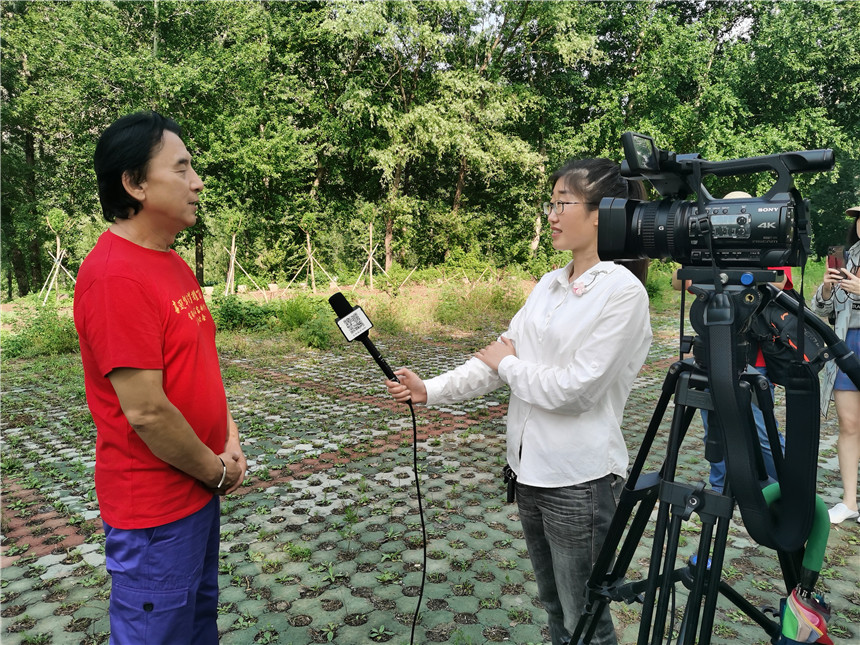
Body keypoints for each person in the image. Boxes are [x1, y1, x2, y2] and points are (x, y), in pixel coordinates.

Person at [385, 158, 652, 645]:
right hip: (528, 473)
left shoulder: (622, 293)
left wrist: (510, 366)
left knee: (586, 619)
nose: (550, 214)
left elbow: (576, 389)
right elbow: (496, 354)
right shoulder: (550, 285)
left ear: (602, 214)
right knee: (553, 606)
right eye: (550, 203)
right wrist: (430, 389)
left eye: (562, 203)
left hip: (580, 482)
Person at [74, 111, 247, 643]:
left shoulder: (168, 262)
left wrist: (230, 443)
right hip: (154, 514)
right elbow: (146, 410)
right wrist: (215, 471)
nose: (197, 182)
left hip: (197, 491)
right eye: (182, 169)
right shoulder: (114, 277)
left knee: (197, 628)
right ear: (135, 184)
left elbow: (201, 368)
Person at [809, 204, 860, 524]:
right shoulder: (849, 256)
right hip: (846, 344)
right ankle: (849, 500)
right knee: (849, 423)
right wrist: (826, 288)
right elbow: (821, 307)